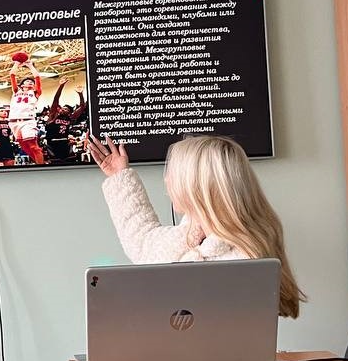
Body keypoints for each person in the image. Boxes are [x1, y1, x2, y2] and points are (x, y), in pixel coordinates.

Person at [87, 134, 306, 318]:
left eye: (172, 175)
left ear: (196, 187)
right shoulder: (187, 236)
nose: (166, 181)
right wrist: (119, 175)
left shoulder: (246, 258)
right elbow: (141, 239)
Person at [8, 60, 45, 164]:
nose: (30, 82)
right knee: (24, 147)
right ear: (22, 85)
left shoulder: (35, 92)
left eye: (32, 82)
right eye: (27, 81)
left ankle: (41, 167)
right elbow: (12, 75)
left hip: (28, 121)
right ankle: (40, 163)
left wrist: (30, 65)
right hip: (14, 122)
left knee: (34, 147)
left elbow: (37, 77)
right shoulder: (16, 91)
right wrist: (16, 63)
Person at [43, 78, 87, 162]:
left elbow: (82, 107)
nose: (63, 109)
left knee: (70, 161)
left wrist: (80, 94)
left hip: (65, 142)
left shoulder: (70, 118)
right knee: (55, 163)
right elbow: (56, 99)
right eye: (62, 108)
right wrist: (61, 86)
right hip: (52, 143)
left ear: (69, 112)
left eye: (66, 109)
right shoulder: (53, 115)